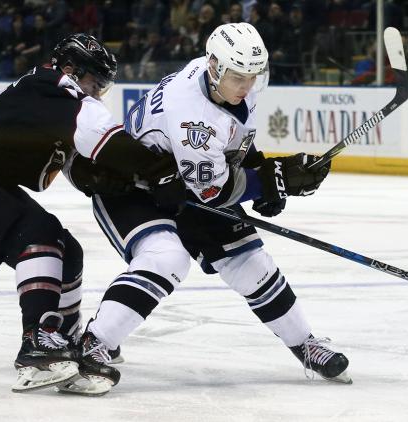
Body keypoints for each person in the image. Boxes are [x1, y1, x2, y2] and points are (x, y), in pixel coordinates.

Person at [65, 22, 351, 395]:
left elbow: (231, 142)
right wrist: (272, 179)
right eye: (238, 77)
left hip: (180, 180)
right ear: (214, 66)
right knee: (166, 259)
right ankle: (95, 343)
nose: (247, 86)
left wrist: (261, 167)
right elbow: (213, 192)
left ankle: (305, 343)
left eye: (253, 76)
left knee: (251, 264)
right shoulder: (192, 117)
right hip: (129, 188)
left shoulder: (223, 83)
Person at [0, 33, 169, 395]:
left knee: (68, 249)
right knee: (39, 233)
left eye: (104, 86)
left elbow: (85, 169)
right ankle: (38, 343)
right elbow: (113, 146)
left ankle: (64, 337)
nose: (97, 92)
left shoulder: (48, 99)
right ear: (70, 69)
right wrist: (162, 173)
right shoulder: (56, 89)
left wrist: (121, 180)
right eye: (95, 82)